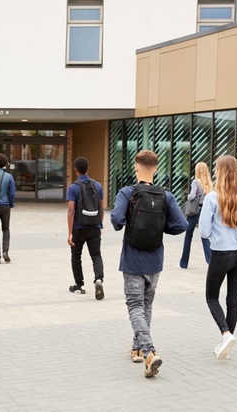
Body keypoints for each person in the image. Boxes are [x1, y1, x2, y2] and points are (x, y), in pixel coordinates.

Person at [111, 150, 187, 377]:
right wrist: (160, 228)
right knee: (146, 305)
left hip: (133, 260)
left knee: (135, 306)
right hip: (155, 260)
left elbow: (116, 219)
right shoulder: (167, 195)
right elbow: (181, 224)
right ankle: (137, 349)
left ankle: (149, 351)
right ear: (156, 168)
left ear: (136, 167)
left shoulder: (127, 192)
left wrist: (124, 225)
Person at [199, 155, 237, 360]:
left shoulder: (212, 198)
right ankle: (226, 343)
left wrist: (218, 235)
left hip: (221, 253)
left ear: (219, 172)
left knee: (211, 297)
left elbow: (204, 232)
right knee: (233, 300)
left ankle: (225, 334)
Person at [66, 157, 105, 300]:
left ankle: (79, 285)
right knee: (96, 255)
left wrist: (70, 233)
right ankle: (99, 280)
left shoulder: (73, 188)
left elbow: (71, 211)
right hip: (94, 227)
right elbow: (101, 208)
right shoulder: (98, 186)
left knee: (76, 256)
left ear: (75, 170)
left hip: (78, 228)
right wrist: (99, 225)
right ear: (88, 168)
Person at [178, 162, 212, 268]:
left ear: (197, 170)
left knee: (188, 237)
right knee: (205, 237)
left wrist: (188, 196)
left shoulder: (195, 182)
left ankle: (183, 263)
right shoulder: (209, 183)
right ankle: (211, 262)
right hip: (205, 211)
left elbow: (192, 196)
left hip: (194, 212)